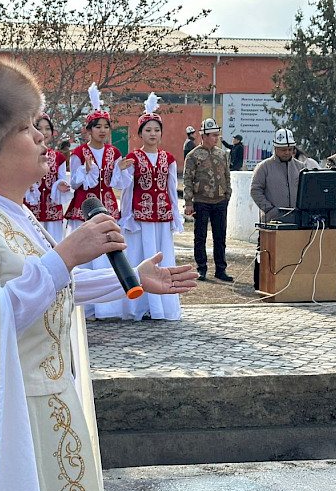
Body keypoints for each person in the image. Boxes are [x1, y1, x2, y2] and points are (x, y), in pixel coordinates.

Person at [0, 59, 197, 491]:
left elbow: (50, 287)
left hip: (45, 406)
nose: (43, 136)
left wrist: (127, 281)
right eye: (26, 129)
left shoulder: (17, 213)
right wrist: (65, 255)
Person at [111, 93, 184, 320]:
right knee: (140, 258)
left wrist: (175, 214)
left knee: (163, 259)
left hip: (161, 217)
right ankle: (138, 307)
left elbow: (171, 188)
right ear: (140, 133)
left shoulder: (168, 158)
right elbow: (123, 186)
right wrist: (120, 169)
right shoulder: (133, 157)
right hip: (140, 217)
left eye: (156, 130)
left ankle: (162, 307)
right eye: (148, 130)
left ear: (161, 133)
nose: (153, 134)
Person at [64, 83, 123, 319]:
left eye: (106, 126)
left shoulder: (114, 153)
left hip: (107, 205)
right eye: (97, 126)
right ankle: (84, 309)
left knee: (107, 253)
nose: (102, 130)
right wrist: (87, 171)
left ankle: (108, 308)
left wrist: (123, 170)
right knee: (85, 255)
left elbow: (118, 183)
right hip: (83, 208)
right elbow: (75, 185)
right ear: (88, 129)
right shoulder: (79, 154)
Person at [250, 128, 305, 291]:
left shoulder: (301, 167)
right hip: (272, 221)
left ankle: (291, 286)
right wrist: (270, 210)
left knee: (294, 255)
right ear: (275, 148)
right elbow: (255, 190)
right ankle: (261, 285)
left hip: (295, 222)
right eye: (284, 150)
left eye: (290, 149)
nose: (287, 153)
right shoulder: (264, 167)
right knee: (265, 255)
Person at [183, 118, 233, 282]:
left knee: (220, 236)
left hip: (220, 201)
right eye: (213, 135)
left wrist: (227, 195)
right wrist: (188, 202)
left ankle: (221, 269)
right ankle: (201, 268)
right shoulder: (193, 156)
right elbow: (188, 180)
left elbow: (227, 176)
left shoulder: (223, 154)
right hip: (201, 201)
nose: (216, 138)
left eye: (217, 135)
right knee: (200, 236)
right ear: (203, 135)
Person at [23, 113, 71, 243]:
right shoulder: (24, 155)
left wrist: (61, 185)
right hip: (31, 212)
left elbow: (60, 178)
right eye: (39, 128)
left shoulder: (59, 158)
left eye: (47, 128)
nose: (44, 132)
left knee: (54, 245)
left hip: (53, 213)